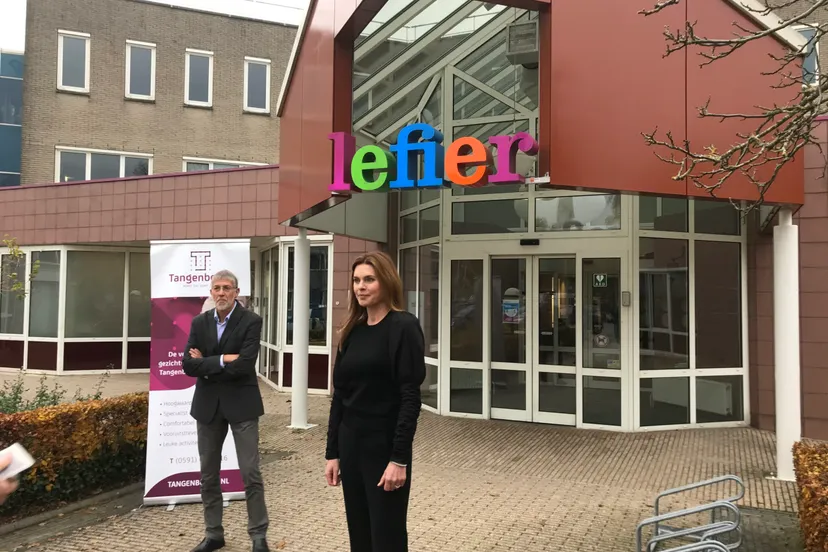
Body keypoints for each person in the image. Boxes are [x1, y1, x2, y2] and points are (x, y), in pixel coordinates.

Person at [324, 251, 426, 552]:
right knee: (360, 534)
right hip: (351, 444)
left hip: (383, 447)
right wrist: (333, 453)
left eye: (369, 279)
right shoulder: (351, 331)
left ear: (386, 282)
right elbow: (339, 396)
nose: (361, 286)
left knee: (387, 536)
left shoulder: (403, 327)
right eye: (356, 280)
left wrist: (399, 459)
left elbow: (410, 397)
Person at [182, 269, 269, 552]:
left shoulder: (251, 321)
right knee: (208, 475)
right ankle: (213, 535)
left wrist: (206, 363)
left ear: (236, 292)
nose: (221, 293)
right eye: (216, 288)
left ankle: (258, 535)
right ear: (211, 291)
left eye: (227, 288)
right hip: (208, 408)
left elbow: (245, 365)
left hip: (242, 406)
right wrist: (222, 359)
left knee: (250, 473)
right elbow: (187, 365)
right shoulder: (199, 323)